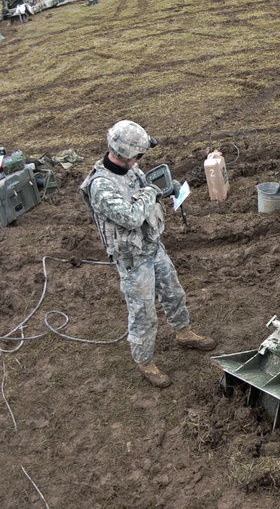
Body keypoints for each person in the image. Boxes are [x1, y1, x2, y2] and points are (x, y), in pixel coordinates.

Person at [80, 120, 216, 389]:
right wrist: (153, 192)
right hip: (132, 258)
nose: (141, 160)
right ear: (125, 154)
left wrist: (168, 187)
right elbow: (130, 217)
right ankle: (145, 362)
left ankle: (184, 333)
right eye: (139, 155)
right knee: (143, 313)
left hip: (152, 245)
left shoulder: (131, 169)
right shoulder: (101, 186)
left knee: (173, 293)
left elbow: (146, 186)